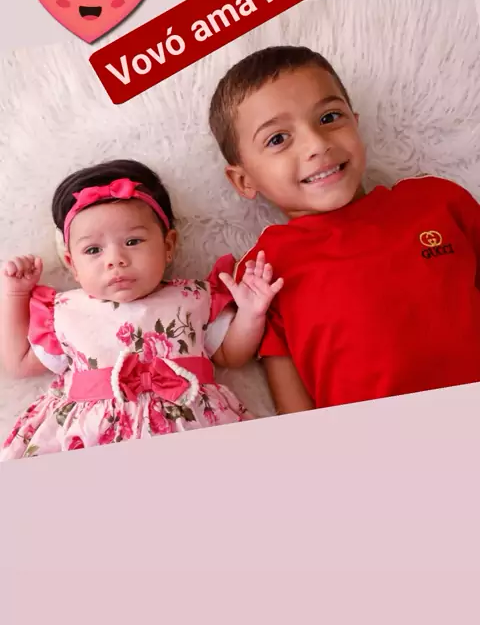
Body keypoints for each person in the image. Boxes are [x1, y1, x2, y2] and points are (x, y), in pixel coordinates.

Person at [209, 45, 480, 414]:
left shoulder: (437, 201)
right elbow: (293, 406)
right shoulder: (266, 270)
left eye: (329, 117)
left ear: (355, 122)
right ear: (244, 180)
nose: (317, 144)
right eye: (278, 139)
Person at [0, 159, 283, 459]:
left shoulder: (194, 297)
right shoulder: (66, 310)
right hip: (92, 434)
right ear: (72, 265)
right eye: (93, 250)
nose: (115, 259)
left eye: (133, 241)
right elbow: (19, 364)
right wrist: (16, 293)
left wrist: (251, 313)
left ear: (168, 245)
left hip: (191, 422)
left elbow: (231, 356)